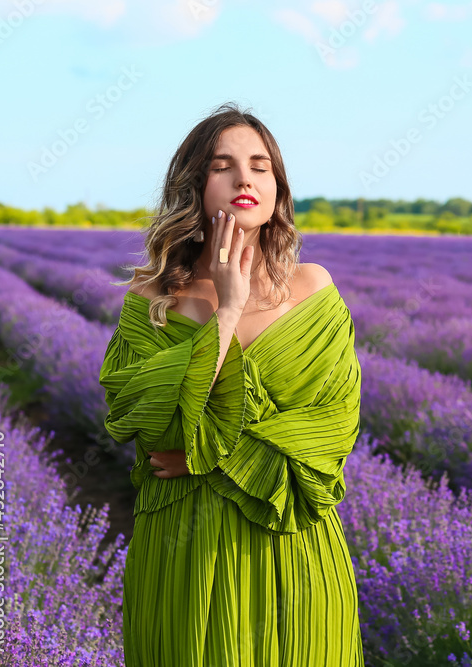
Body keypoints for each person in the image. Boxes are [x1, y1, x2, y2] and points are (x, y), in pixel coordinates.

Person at [98, 102, 364, 666]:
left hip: (292, 540)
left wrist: (205, 458)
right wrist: (227, 311)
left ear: (277, 187)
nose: (245, 177)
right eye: (223, 165)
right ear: (194, 185)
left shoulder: (314, 289)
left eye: (260, 165)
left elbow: (329, 431)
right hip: (185, 546)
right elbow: (155, 430)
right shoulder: (151, 305)